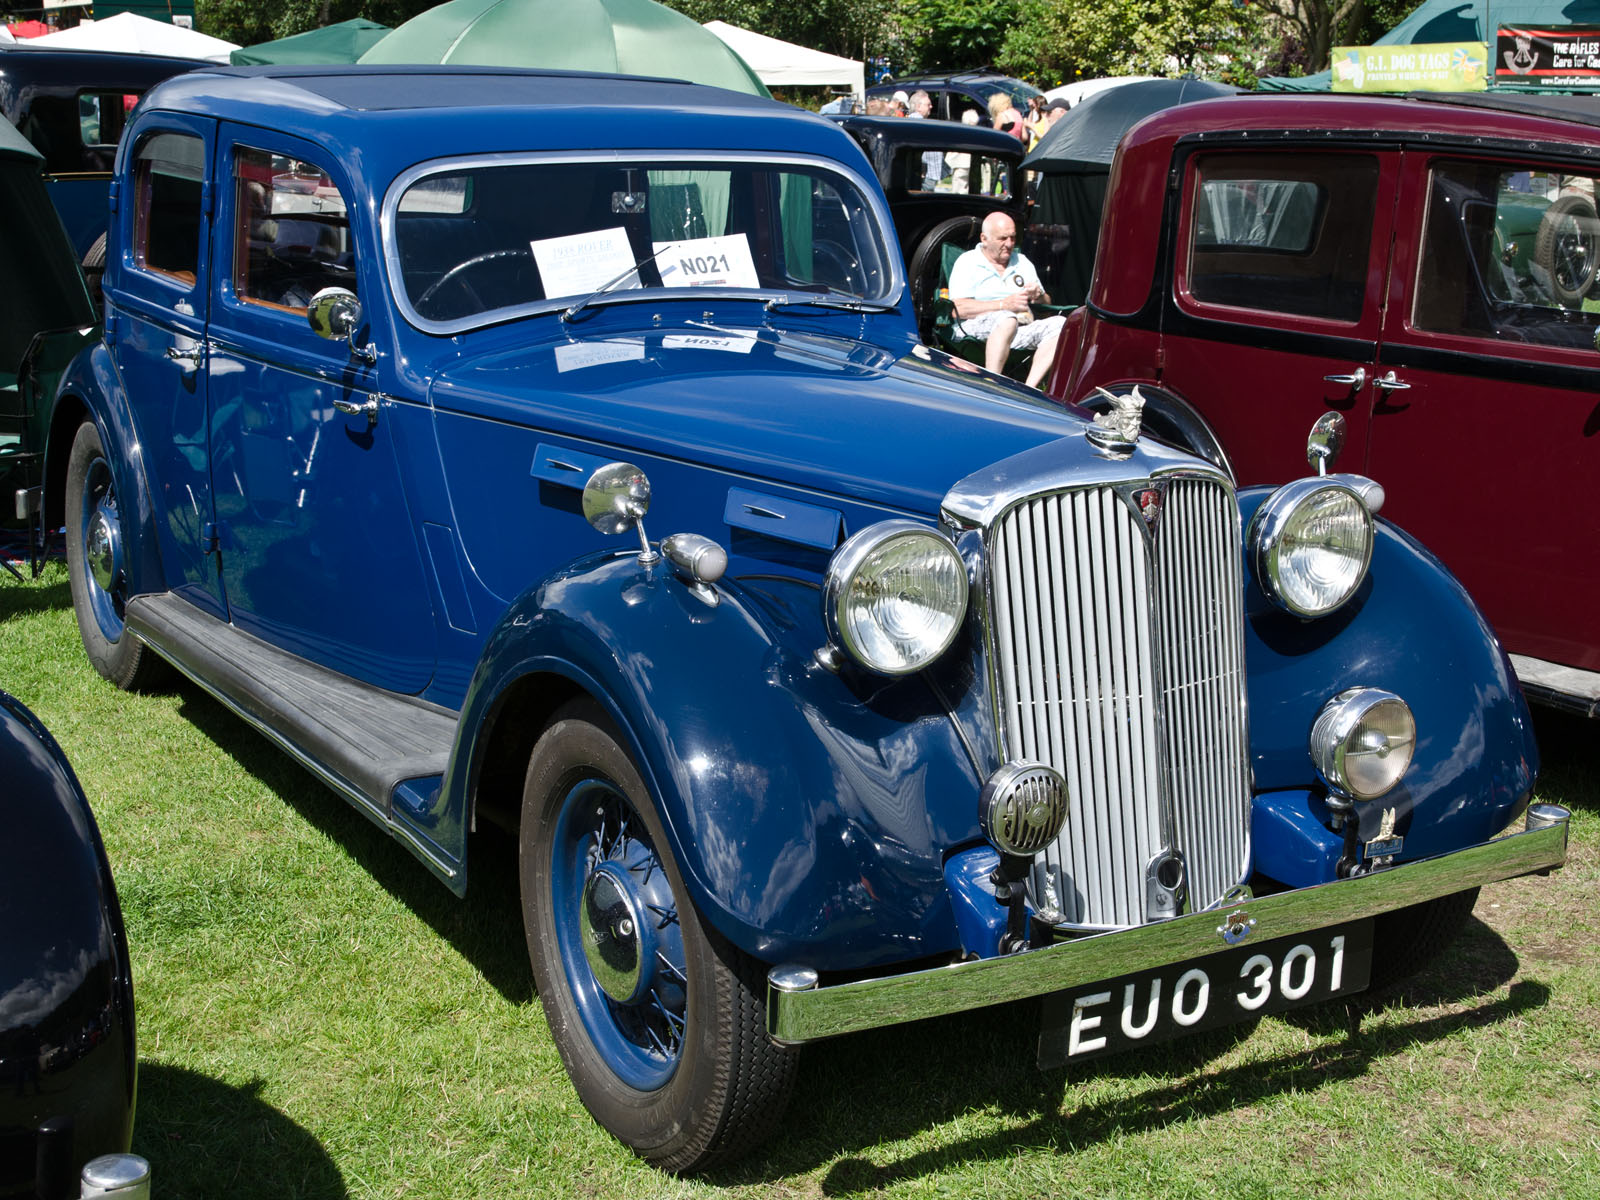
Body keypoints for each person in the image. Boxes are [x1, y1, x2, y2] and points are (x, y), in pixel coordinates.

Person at [947, 211, 1065, 388]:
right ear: (984, 238)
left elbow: (1046, 302)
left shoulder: (1022, 262)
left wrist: (1038, 295)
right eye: (1003, 238)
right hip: (974, 327)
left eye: (1012, 238)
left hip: (1020, 328)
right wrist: (1003, 305)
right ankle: (992, 385)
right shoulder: (968, 262)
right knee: (1006, 318)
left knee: (1060, 323)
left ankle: (1030, 389)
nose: (1009, 244)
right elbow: (958, 308)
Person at [906, 90, 944, 189]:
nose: (931, 106)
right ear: (918, 107)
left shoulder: (908, 123)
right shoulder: (920, 125)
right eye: (928, 104)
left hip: (923, 174)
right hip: (925, 176)